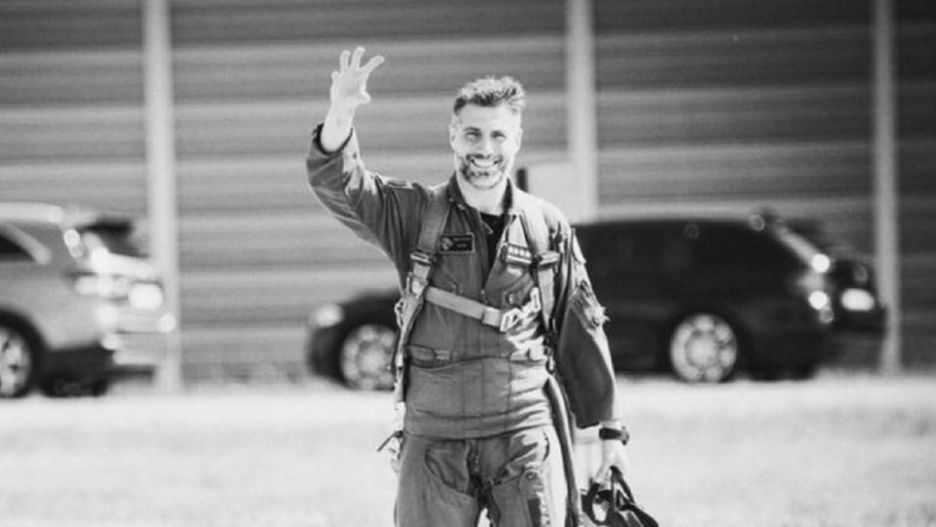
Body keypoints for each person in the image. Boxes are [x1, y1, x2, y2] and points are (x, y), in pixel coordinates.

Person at [307, 46, 630, 527]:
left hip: (522, 432)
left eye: (498, 135)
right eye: (473, 133)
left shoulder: (546, 227)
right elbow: (342, 185)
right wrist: (341, 113)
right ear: (453, 135)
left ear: (516, 140)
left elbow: (581, 329)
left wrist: (611, 434)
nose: (485, 149)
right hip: (434, 436)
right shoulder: (416, 214)